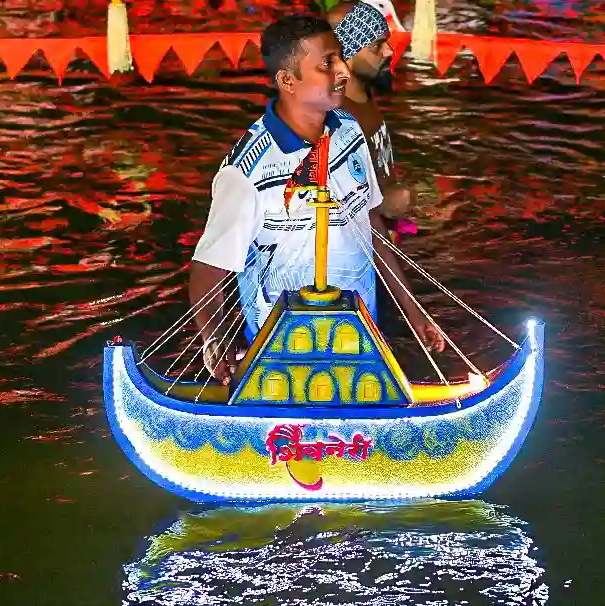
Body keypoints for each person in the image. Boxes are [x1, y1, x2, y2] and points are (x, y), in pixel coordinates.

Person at [188, 14, 444, 386]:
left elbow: (370, 224)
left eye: (340, 57)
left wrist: (413, 310)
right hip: (281, 360)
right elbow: (207, 268)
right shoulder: (246, 173)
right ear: (288, 81)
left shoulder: (349, 131)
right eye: (327, 63)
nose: (342, 69)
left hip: (361, 340)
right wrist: (214, 341)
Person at [325, 0, 414, 235]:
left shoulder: (364, 92)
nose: (390, 51)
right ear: (347, 53)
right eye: (377, 46)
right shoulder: (336, 117)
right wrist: (384, 207)